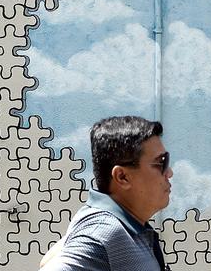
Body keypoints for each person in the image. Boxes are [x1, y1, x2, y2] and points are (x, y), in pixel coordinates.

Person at [41, 116, 173, 270]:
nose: (169, 172)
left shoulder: (123, 229)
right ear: (122, 177)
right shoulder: (102, 232)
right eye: (161, 163)